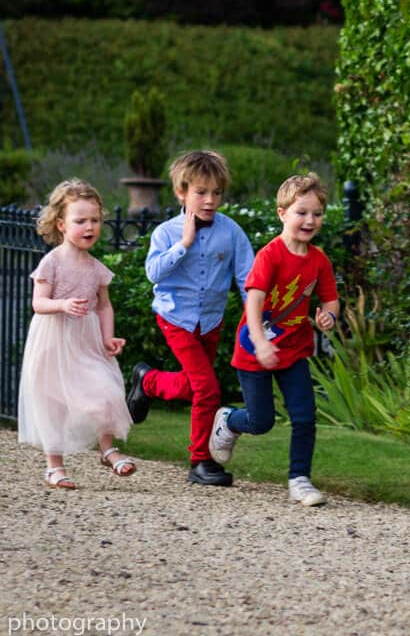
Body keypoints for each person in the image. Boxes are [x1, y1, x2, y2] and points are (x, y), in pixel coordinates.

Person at [209, 173, 340, 506]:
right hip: (256, 350)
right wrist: (261, 342)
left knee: (305, 415)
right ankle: (228, 420)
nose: (310, 220)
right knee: (261, 421)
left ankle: (299, 480)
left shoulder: (319, 260)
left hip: (294, 351)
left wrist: (329, 316)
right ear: (282, 213)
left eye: (317, 214)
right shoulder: (270, 256)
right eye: (301, 213)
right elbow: (252, 302)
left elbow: (330, 299)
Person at [125, 150, 254, 487]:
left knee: (194, 386)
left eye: (217, 193)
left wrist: (255, 317)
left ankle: (148, 381)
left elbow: (247, 279)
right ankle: (201, 461)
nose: (210, 200)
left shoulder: (232, 233)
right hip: (176, 319)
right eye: (201, 192)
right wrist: (184, 243)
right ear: (181, 193)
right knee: (208, 388)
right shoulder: (166, 233)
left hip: (210, 321)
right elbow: (153, 272)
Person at [18, 179, 137, 488]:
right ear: (61, 224)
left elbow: (104, 306)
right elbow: (38, 302)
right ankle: (54, 466)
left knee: (106, 391)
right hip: (53, 339)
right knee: (52, 402)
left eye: (95, 220)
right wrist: (62, 304)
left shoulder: (97, 268)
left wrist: (108, 337)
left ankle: (108, 448)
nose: (90, 227)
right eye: (80, 220)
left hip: (87, 340)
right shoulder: (52, 262)